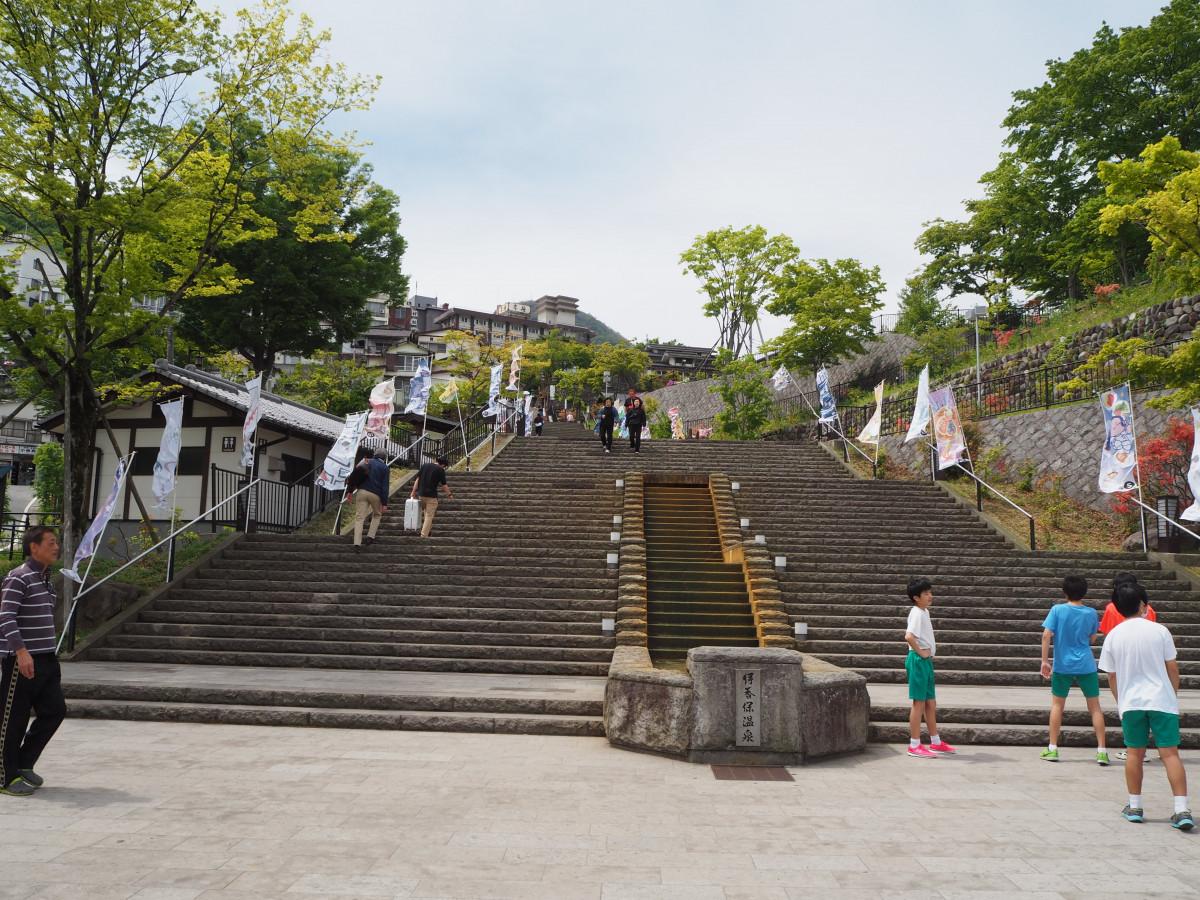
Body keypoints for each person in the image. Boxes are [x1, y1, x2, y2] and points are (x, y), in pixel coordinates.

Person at [1099, 582, 1192, 830]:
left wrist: (1122, 701)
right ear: (1142, 605)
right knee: (1170, 753)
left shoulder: (1113, 636)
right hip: (1162, 699)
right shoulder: (1160, 631)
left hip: (1131, 702)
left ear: (1117, 608)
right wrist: (1172, 694)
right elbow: (1172, 667)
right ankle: (1181, 809)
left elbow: (1111, 676)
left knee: (1134, 753)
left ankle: (1135, 806)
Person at [0, 527, 67, 797]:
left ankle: (23, 764)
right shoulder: (19, 577)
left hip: (47, 659)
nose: (56, 547)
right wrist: (21, 652)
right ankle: (5, 776)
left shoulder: (45, 580)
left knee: (55, 710)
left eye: (57, 542)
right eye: (51, 542)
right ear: (34, 547)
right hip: (22, 661)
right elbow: (5, 616)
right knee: (12, 719)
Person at [1039, 575, 1108, 765]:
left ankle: (1052, 748)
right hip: (1086, 664)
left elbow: (1046, 635)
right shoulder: (1091, 613)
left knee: (1057, 706)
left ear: (1064, 591)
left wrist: (1045, 661)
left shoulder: (1057, 610)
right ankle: (1102, 750)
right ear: (1084, 592)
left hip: (1063, 665)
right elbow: (1093, 638)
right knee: (1095, 707)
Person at [904, 577, 956, 758]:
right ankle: (914, 744)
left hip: (925, 662)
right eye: (926, 593)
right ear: (916, 597)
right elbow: (909, 636)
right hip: (918, 661)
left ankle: (935, 742)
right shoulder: (917, 613)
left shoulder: (923, 612)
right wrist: (921, 652)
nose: (930, 596)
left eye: (930, 592)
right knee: (919, 703)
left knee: (930, 703)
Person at [348, 448, 389, 551]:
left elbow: (355, 475)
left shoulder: (366, 461)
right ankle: (370, 537)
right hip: (376, 494)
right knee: (377, 514)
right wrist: (384, 503)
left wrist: (350, 491)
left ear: (375, 454)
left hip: (362, 492)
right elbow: (385, 487)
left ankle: (357, 543)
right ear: (384, 457)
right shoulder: (385, 468)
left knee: (359, 517)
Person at [411, 455, 453, 538]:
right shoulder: (440, 470)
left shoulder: (425, 466)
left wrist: (413, 491)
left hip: (421, 495)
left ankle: (428, 531)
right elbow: (444, 485)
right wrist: (449, 494)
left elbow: (417, 479)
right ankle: (424, 535)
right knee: (429, 516)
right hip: (431, 496)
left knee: (426, 513)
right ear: (443, 465)